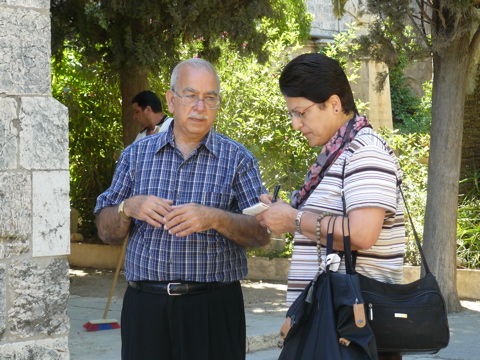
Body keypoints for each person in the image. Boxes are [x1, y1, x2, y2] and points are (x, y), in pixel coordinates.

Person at [94, 58, 270, 360]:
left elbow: (261, 234)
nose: (200, 106)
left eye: (210, 98)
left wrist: (215, 218)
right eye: (191, 96)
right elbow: (105, 230)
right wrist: (127, 208)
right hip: (145, 307)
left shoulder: (238, 159)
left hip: (213, 310)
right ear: (172, 100)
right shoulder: (135, 156)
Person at [256, 53, 405, 360]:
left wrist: (294, 220)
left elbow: (362, 234)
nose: (297, 124)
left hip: (354, 332)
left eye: (301, 113)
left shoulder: (365, 153)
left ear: (334, 104)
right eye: (292, 114)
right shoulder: (338, 154)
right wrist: (287, 213)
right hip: (335, 325)